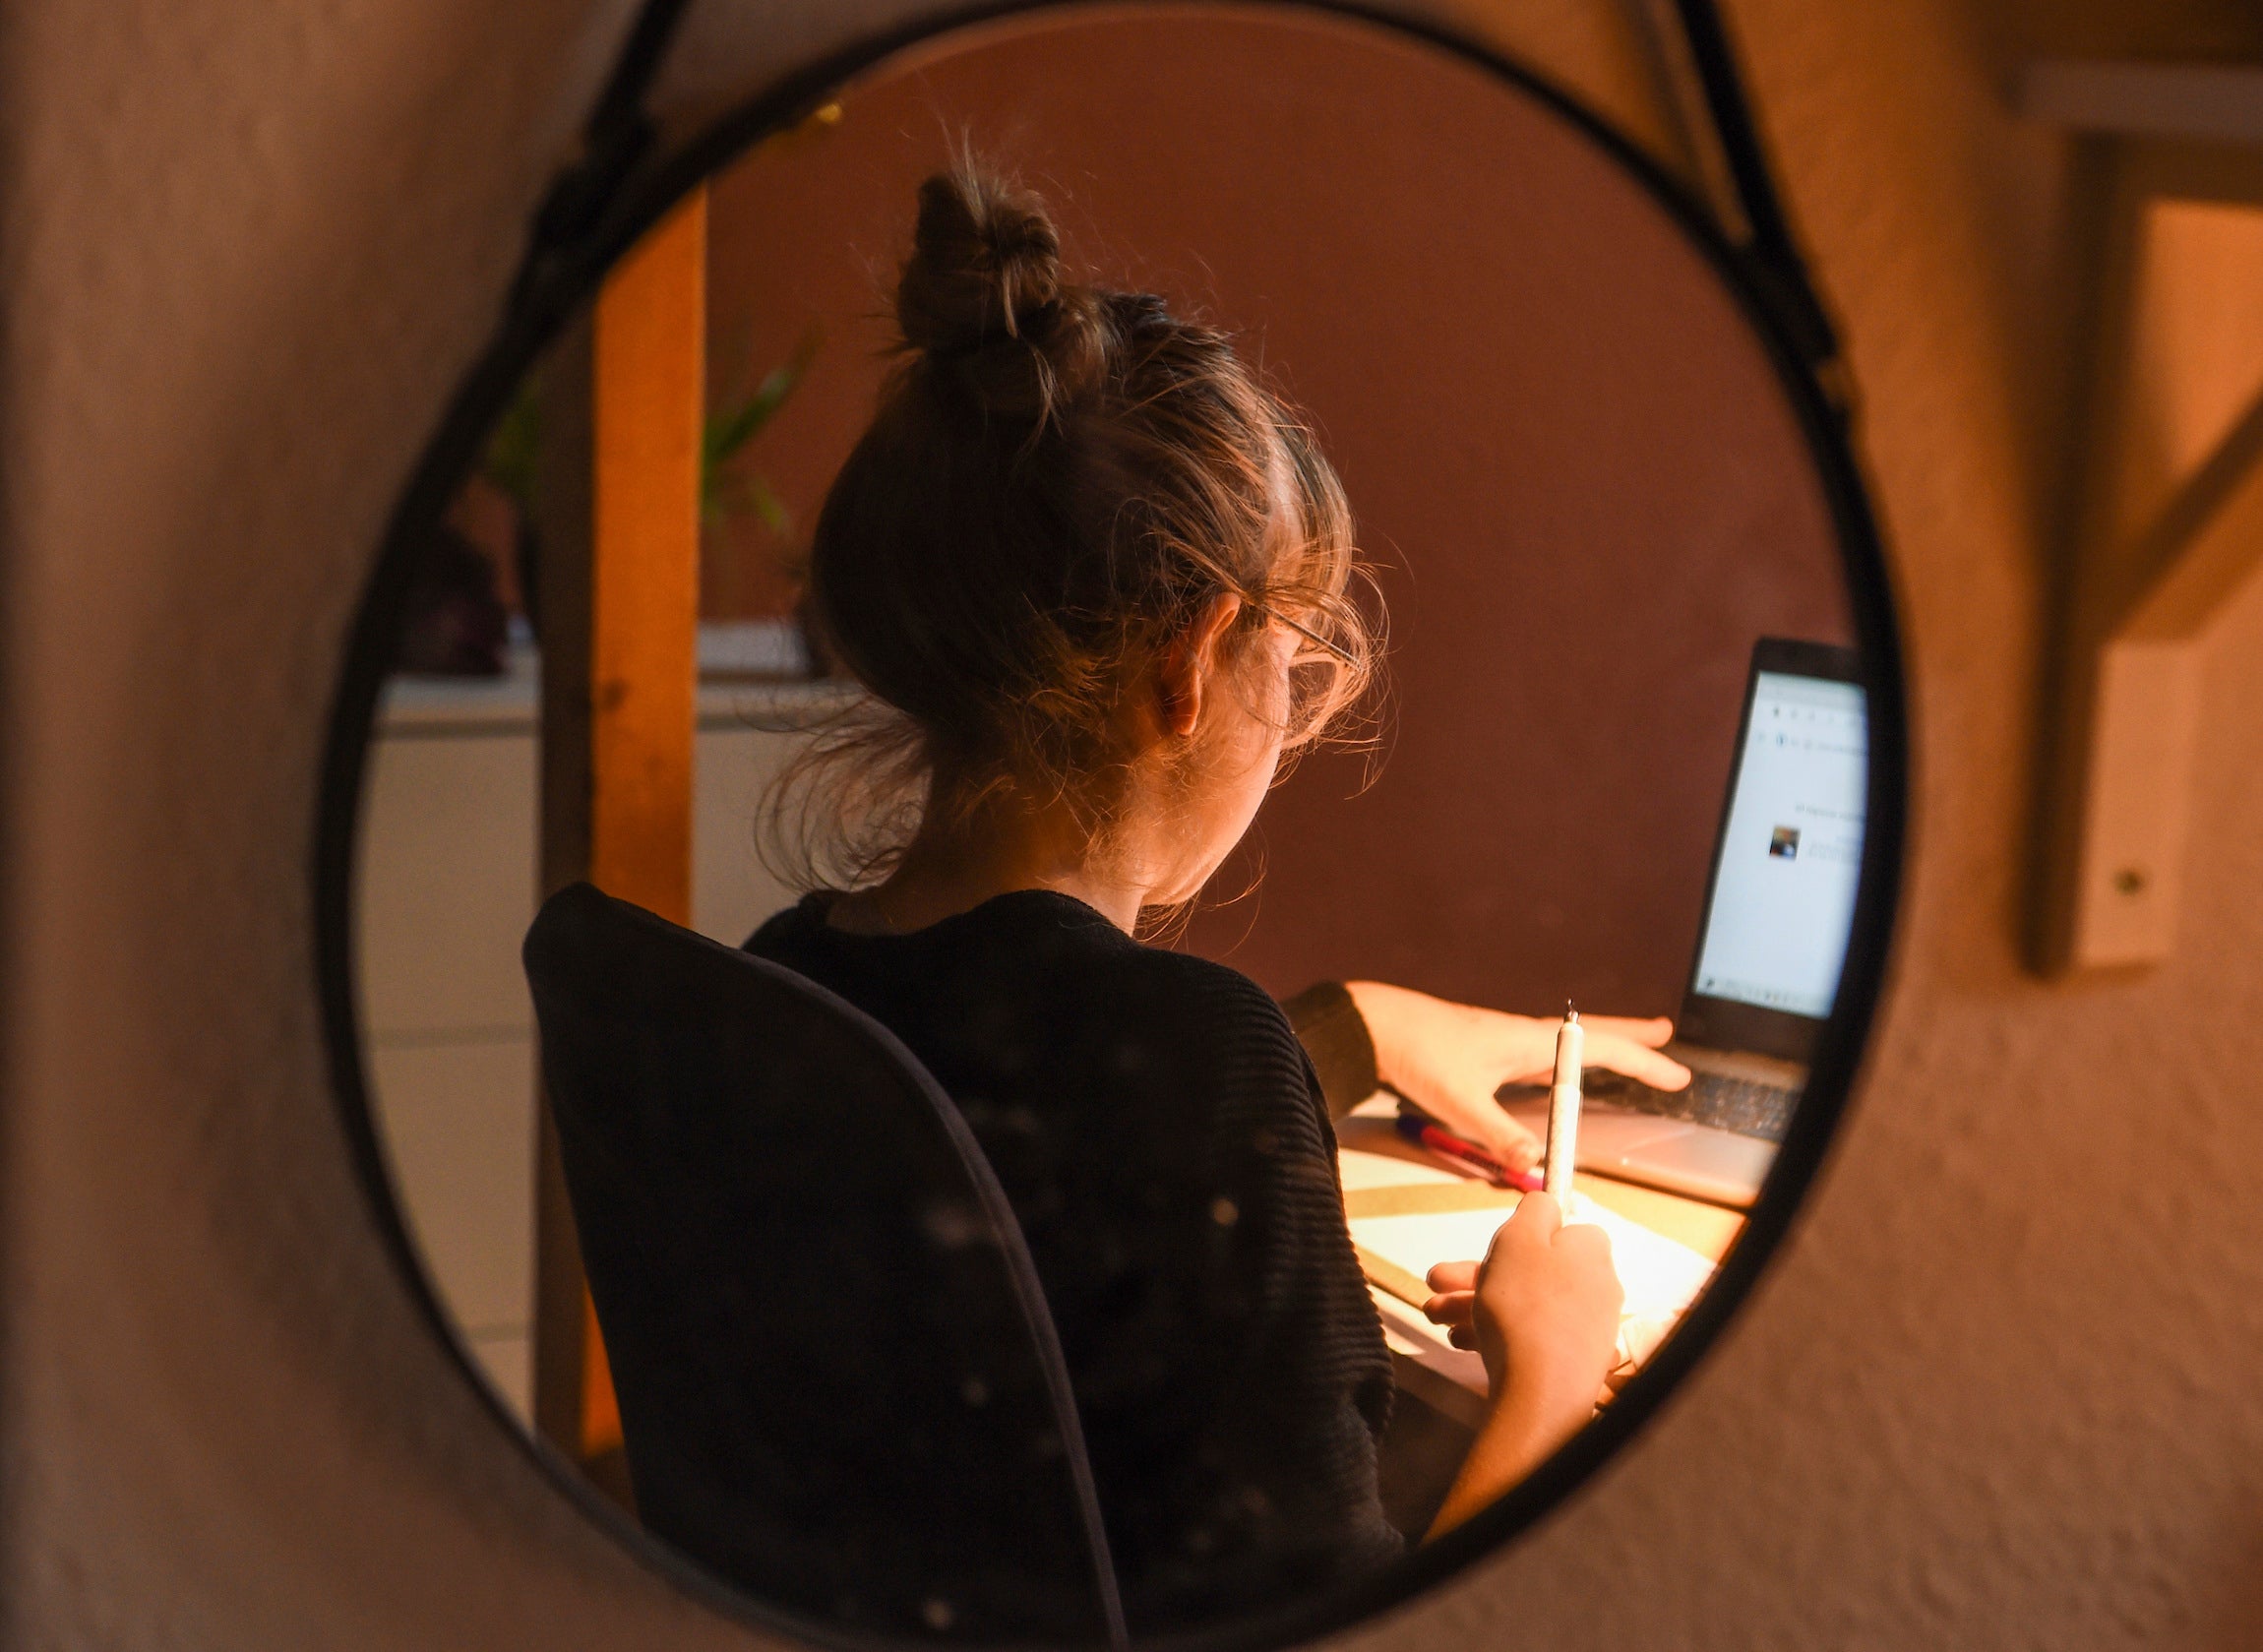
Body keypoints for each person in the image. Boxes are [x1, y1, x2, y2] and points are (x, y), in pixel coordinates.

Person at [743, 167, 1682, 1627]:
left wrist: (1358, 1027)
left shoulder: (789, 982)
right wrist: (1553, 1370)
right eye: (1292, 658)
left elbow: (1013, 1120)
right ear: (1192, 665)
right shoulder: (1193, 1059)